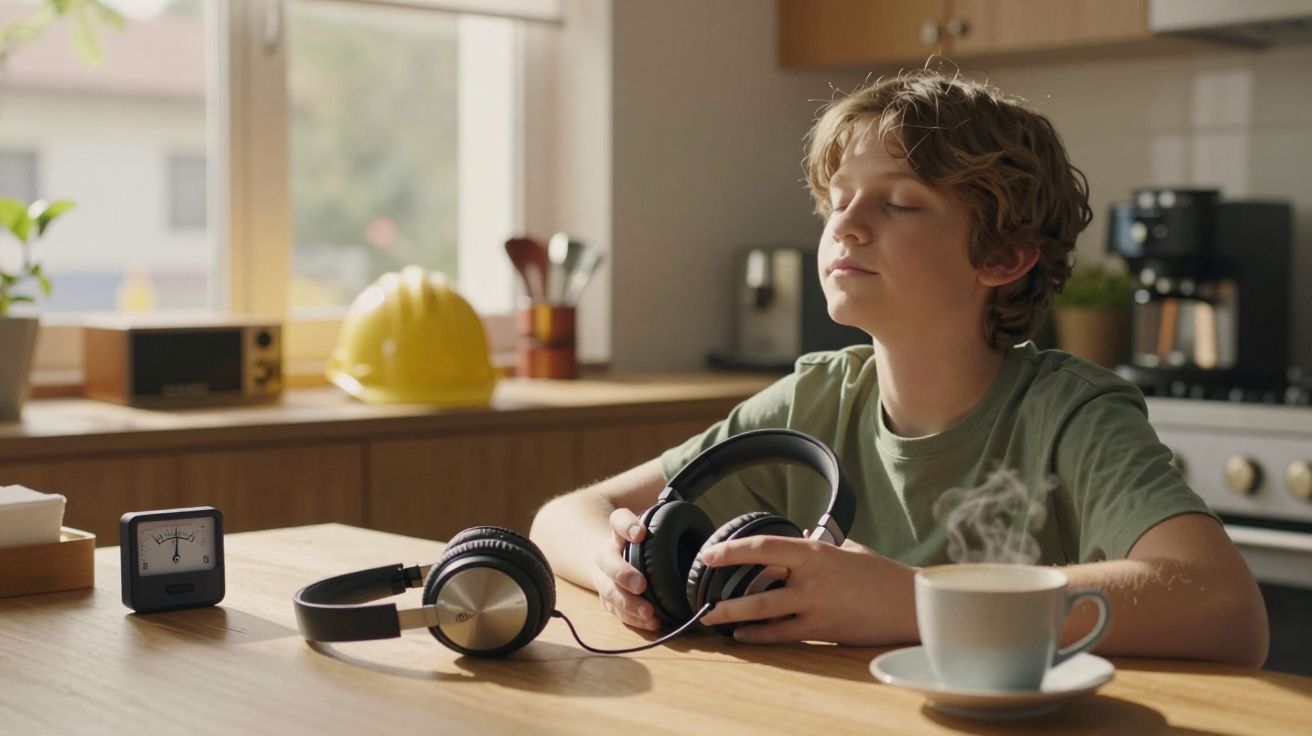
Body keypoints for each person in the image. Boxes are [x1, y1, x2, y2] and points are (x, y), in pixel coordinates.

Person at [529, 65, 1269, 667]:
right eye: (839, 200)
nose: (846, 223)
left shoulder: (1070, 413)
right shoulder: (815, 397)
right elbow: (561, 517)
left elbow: (1225, 608)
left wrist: (913, 598)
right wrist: (614, 565)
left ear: (1002, 256)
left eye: (901, 204)